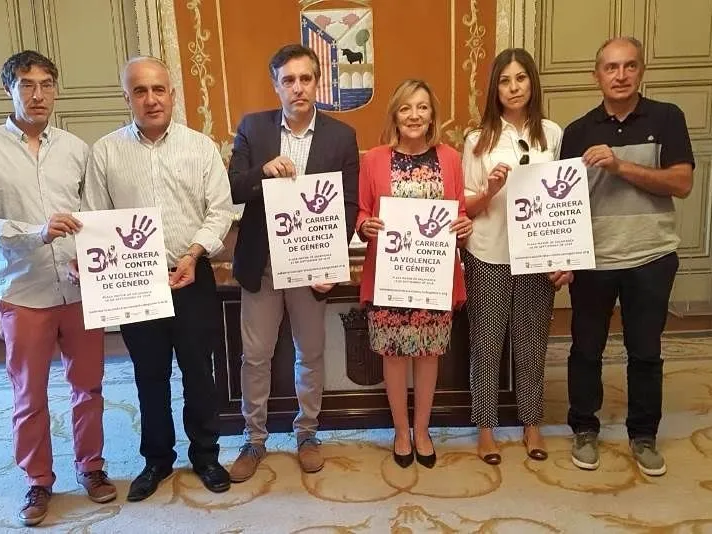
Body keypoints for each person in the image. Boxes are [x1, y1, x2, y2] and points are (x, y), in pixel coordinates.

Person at [0, 50, 115, 527]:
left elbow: (93, 216)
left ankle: (91, 467)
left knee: (88, 386)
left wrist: (89, 257)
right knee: (29, 394)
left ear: (56, 90)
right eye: (26, 85)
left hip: (77, 289)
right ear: (8, 90)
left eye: (46, 84)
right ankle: (38, 480)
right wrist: (37, 232)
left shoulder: (75, 148)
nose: (38, 95)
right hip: (23, 291)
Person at [80, 56, 235, 500]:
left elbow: (220, 210)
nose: (151, 99)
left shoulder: (200, 147)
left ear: (172, 94)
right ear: (126, 98)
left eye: (159, 89)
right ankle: (157, 459)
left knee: (199, 373)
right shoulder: (105, 152)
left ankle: (205, 455)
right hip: (134, 282)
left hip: (192, 275)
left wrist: (192, 253)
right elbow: (94, 216)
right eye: (140, 91)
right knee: (150, 375)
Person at [560, 36, 694, 476]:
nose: (620, 76)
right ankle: (584, 428)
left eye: (629, 66)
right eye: (611, 67)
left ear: (641, 70)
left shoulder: (667, 118)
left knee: (645, 350)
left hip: (651, 255)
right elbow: (562, 203)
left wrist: (620, 166)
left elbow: (681, 183)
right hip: (594, 259)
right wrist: (562, 256)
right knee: (585, 348)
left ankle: (644, 435)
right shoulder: (577, 132)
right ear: (596, 75)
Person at [227, 44, 359, 482]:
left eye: (305, 78)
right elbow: (233, 188)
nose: (298, 87)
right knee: (255, 356)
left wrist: (331, 262)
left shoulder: (341, 136)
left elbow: (349, 205)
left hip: (311, 265)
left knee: (311, 353)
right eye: (288, 80)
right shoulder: (253, 128)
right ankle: (253, 438)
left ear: (317, 83)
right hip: (262, 263)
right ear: (276, 85)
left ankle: (307, 433)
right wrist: (263, 172)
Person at [461, 48, 572, 465]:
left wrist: (563, 256)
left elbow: (564, 202)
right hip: (488, 251)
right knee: (486, 344)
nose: (513, 88)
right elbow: (465, 205)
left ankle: (531, 422)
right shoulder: (478, 139)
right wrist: (489, 189)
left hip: (537, 254)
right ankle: (485, 428)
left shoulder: (552, 134)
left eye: (520, 78)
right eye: (505, 81)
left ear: (532, 83)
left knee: (531, 343)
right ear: (495, 88)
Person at [355, 79, 471, 469]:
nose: (414, 115)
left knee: (428, 354)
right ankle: (401, 431)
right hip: (390, 276)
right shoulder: (374, 159)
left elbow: (460, 210)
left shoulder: (450, 158)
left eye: (422, 107)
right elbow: (363, 211)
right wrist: (365, 224)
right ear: (395, 115)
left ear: (432, 115)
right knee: (393, 355)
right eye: (406, 108)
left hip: (432, 277)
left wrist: (464, 224)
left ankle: (422, 430)